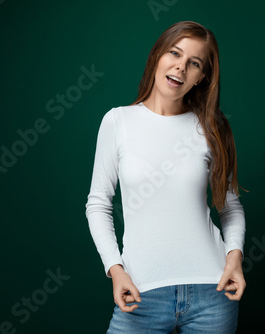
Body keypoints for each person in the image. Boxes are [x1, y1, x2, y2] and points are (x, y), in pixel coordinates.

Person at [85, 20, 248, 333]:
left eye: (194, 63)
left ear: (202, 77)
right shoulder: (118, 121)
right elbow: (98, 204)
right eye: (174, 53)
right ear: (157, 55)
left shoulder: (213, 128)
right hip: (139, 293)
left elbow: (230, 207)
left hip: (212, 292)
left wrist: (234, 257)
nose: (180, 67)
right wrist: (115, 270)